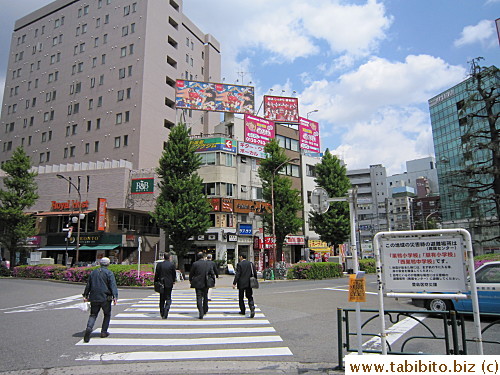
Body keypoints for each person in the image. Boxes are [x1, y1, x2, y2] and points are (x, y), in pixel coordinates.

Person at [82, 257, 118, 343]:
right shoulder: (109, 273)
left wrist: (85, 295)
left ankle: (89, 328)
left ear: (100, 263)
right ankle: (103, 332)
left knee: (93, 314)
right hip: (105, 297)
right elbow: (113, 285)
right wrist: (115, 297)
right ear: (108, 264)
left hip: (94, 297)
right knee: (107, 314)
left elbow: (88, 285)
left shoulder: (93, 272)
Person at [189, 252, 214, 319]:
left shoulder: (195, 264)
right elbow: (211, 272)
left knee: (199, 297)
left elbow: (191, 273)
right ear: (203, 257)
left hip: (197, 282)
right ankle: (205, 309)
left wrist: (190, 280)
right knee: (205, 296)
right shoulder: (207, 263)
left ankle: (201, 312)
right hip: (206, 282)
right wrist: (213, 280)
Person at [232, 254, 256, 318]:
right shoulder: (250, 264)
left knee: (241, 297)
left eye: (239, 256)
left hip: (241, 283)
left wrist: (234, 283)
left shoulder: (239, 264)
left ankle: (243, 310)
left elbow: (238, 274)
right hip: (249, 283)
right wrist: (254, 280)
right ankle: (252, 307)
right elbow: (254, 273)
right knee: (249, 296)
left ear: (241, 257)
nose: (239, 258)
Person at [154, 253, 177, 319]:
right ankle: (166, 311)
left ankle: (162, 312)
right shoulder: (171, 265)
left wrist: (155, 282)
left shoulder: (159, 265)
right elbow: (173, 274)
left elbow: (156, 274)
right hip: (169, 283)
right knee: (168, 298)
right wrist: (173, 281)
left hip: (161, 283)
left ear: (163, 257)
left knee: (162, 298)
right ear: (169, 257)